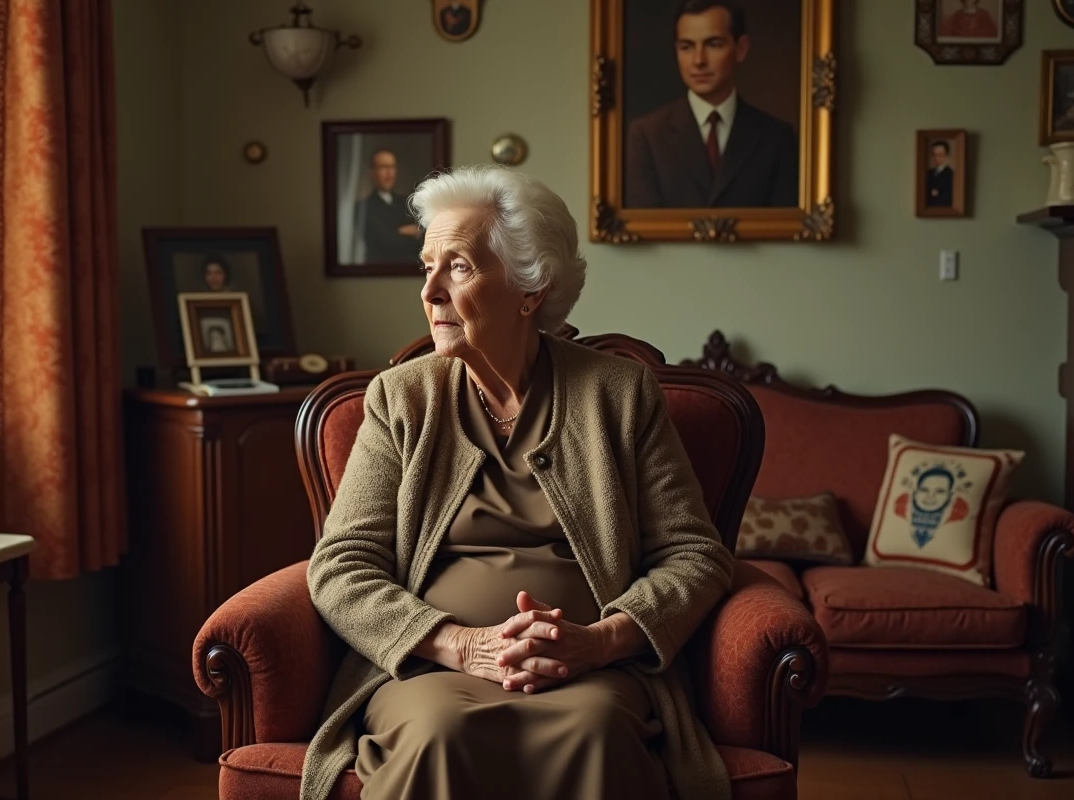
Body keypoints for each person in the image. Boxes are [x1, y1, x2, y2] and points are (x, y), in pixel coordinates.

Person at [303, 165, 735, 800]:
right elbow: (341, 565)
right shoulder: (400, 399)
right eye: (426, 266)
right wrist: (456, 643)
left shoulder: (617, 394)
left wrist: (600, 642)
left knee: (594, 732)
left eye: (458, 267)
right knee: (440, 734)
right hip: (431, 667)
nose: (430, 292)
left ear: (530, 289)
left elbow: (695, 555)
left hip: (588, 671)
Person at [625, 0, 798, 209]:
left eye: (713, 44)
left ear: (741, 48)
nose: (698, 60)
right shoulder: (647, 135)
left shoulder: (777, 137)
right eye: (686, 46)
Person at [355, 149, 422, 263]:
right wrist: (401, 232)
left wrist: (394, 233)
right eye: (384, 167)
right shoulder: (364, 207)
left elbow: (419, 239)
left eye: (392, 167)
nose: (389, 173)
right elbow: (381, 242)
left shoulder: (406, 202)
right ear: (372, 172)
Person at [926, 140, 954, 207]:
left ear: (946, 156)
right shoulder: (928, 173)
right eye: (934, 155)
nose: (936, 158)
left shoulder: (951, 175)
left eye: (940, 155)